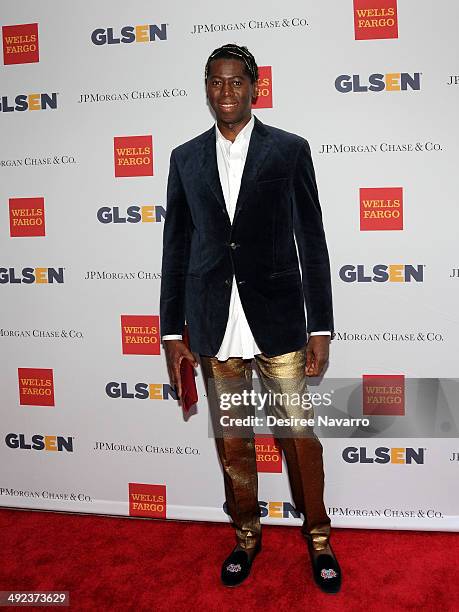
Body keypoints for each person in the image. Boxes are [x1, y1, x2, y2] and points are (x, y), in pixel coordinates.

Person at [160, 43, 341, 592]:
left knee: (299, 437)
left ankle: (319, 539)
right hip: (214, 324)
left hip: (280, 319)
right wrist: (172, 332)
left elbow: (311, 238)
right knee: (233, 440)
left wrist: (320, 325)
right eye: (215, 82)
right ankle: (246, 535)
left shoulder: (289, 151)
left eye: (235, 82)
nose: (225, 92)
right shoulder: (184, 158)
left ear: (254, 87)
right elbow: (175, 249)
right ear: (206, 88)